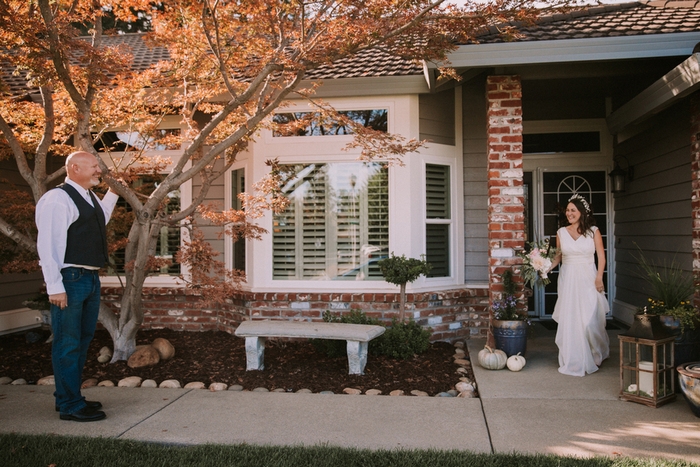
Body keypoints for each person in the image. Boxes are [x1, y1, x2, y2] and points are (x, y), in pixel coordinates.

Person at [35, 151, 119, 421]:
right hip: (69, 280)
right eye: (94, 167)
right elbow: (48, 245)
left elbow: (99, 218)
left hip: (89, 278)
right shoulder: (56, 199)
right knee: (67, 342)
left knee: (82, 340)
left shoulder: (87, 195)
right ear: (73, 168)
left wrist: (114, 192)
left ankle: (68, 398)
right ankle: (71, 406)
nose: (98, 171)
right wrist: (54, 286)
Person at [547, 194, 610, 377]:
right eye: (567, 210)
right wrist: (546, 267)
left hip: (588, 277)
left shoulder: (593, 231)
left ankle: (596, 352)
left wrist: (599, 277)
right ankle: (573, 355)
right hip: (569, 278)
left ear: (582, 212)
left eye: (573, 210)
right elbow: (559, 256)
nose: (569, 213)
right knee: (572, 318)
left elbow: (601, 257)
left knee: (590, 319)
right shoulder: (561, 233)